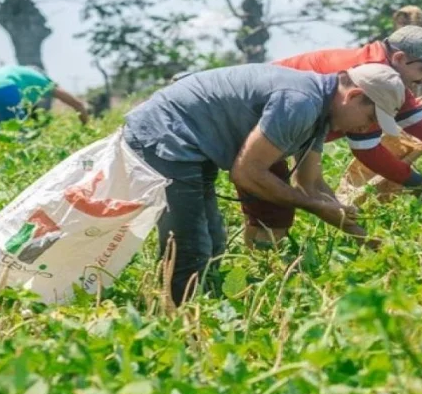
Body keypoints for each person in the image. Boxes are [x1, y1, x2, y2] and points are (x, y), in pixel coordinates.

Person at [122, 62, 406, 305]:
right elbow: (247, 174)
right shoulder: (301, 102)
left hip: (193, 144)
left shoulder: (320, 112)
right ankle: (174, 321)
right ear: (354, 95)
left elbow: (311, 183)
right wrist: (314, 206)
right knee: (191, 245)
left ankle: (197, 310)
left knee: (214, 241)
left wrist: (365, 239)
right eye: (370, 118)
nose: (367, 128)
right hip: (165, 134)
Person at [240, 24, 422, 249]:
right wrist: (421, 183)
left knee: (300, 192)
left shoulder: (386, 78)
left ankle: (261, 263)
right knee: (273, 210)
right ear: (398, 58)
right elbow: (368, 150)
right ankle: (256, 274)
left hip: (289, 128)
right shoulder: (373, 85)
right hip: (261, 120)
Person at [0, 65, 90, 133]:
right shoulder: (40, 79)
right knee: (18, 133)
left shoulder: (13, 70)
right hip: (3, 88)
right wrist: (85, 127)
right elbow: (76, 103)